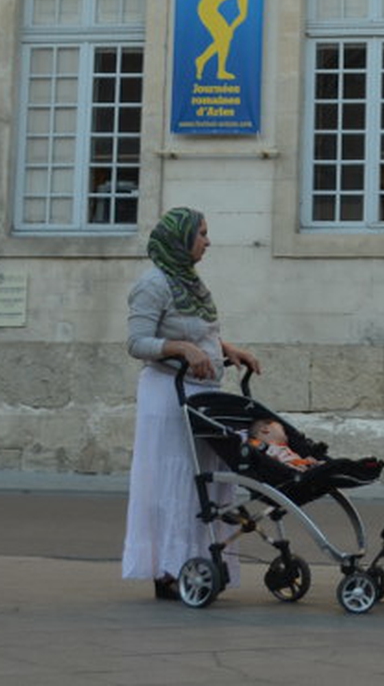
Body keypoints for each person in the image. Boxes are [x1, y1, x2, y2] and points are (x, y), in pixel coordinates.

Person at [120, 207, 261, 601]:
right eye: (201, 233)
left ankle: (199, 561)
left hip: (202, 396)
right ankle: (168, 568)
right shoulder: (153, 285)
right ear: (180, 240)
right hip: (169, 396)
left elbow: (203, 334)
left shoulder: (191, 283)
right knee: (175, 482)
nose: (207, 241)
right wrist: (179, 348)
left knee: (205, 480)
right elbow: (137, 342)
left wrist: (228, 350)